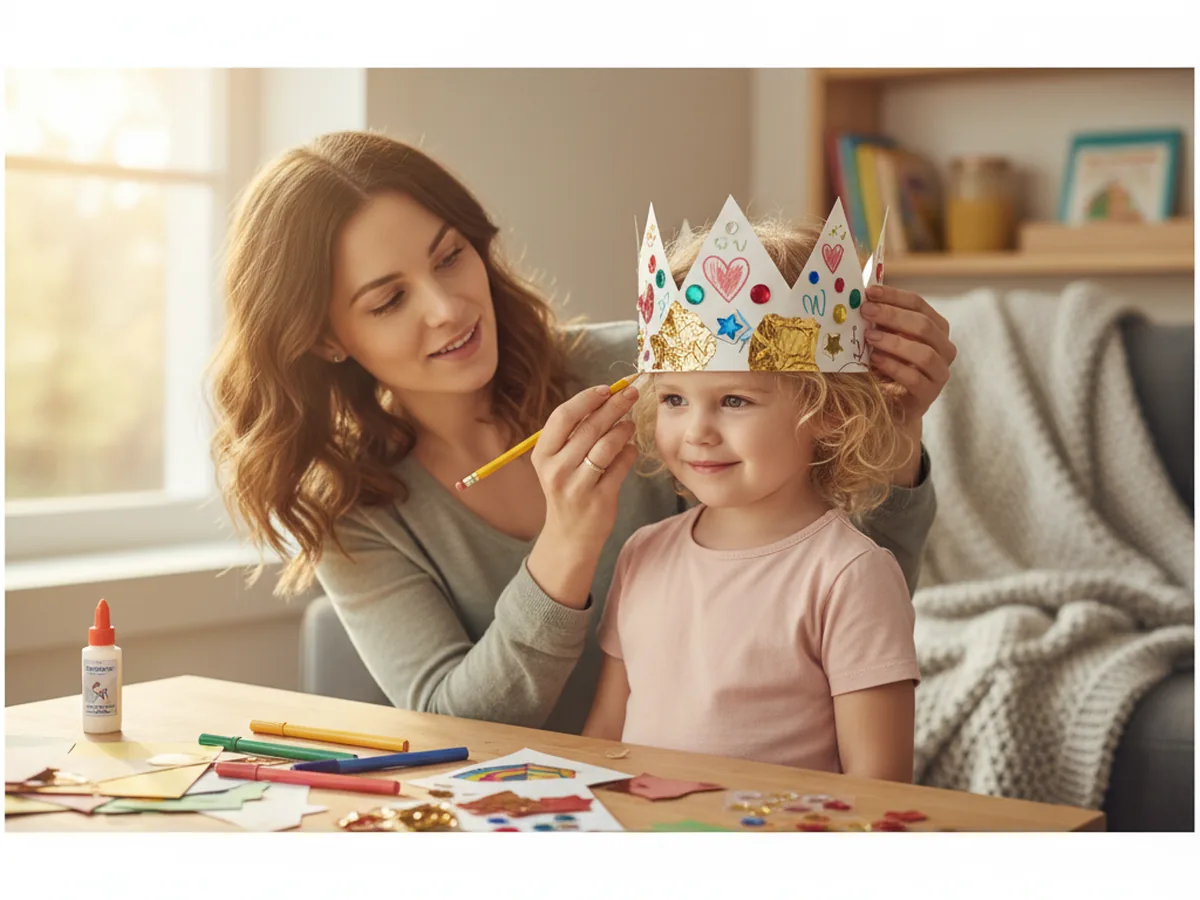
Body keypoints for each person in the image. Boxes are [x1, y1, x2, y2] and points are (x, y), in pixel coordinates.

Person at [210, 131, 957, 735]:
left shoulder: (653, 372)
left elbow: (844, 587)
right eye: (389, 299)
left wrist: (894, 437)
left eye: (450, 256)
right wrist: (566, 547)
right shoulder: (352, 506)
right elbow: (451, 726)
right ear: (325, 339)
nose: (448, 307)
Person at [583, 218, 918, 781]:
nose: (697, 432)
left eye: (734, 400)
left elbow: (877, 787)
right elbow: (603, 741)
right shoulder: (641, 553)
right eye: (673, 399)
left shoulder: (850, 576)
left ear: (828, 411)